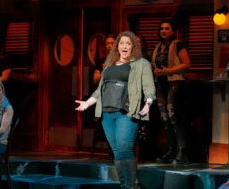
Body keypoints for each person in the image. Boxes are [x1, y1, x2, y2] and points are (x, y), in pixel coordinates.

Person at [75, 30, 156, 189]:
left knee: (125, 149)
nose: (124, 46)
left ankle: (131, 186)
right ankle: (125, 185)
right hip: (107, 112)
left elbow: (149, 88)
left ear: (133, 46)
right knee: (118, 152)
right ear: (117, 46)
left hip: (127, 112)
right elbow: (100, 89)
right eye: (122, 43)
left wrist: (147, 105)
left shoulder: (142, 64)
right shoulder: (110, 63)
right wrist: (87, 103)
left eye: (128, 43)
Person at [152, 19, 190, 164]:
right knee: (165, 118)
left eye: (167, 28)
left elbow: (187, 64)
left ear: (172, 30)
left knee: (173, 116)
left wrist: (168, 71)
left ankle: (182, 151)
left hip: (174, 82)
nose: (164, 31)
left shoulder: (177, 44)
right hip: (161, 84)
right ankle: (171, 150)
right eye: (161, 28)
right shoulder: (157, 47)